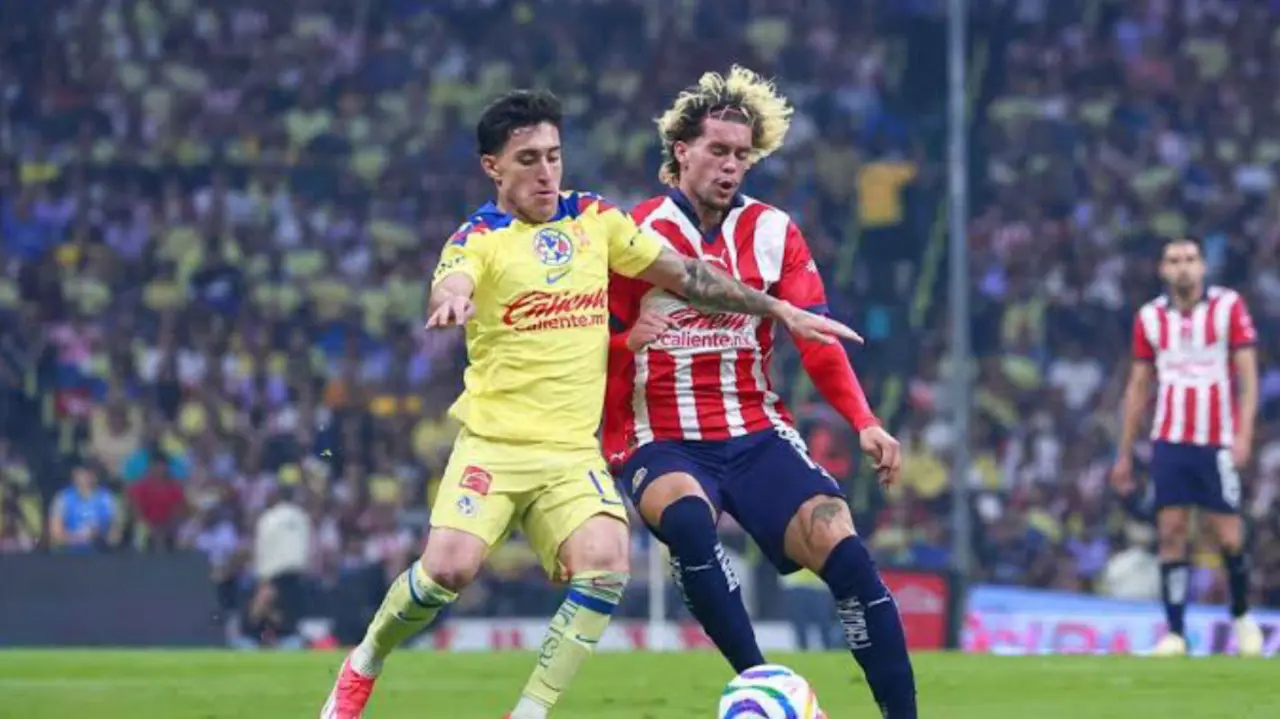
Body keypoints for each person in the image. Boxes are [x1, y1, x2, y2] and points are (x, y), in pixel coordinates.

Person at [321, 88, 857, 719]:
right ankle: (363, 663)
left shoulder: (596, 221)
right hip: (495, 446)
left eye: (553, 156)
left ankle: (529, 712)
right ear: (494, 167)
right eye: (527, 159)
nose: (546, 171)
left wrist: (779, 307)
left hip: (572, 453)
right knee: (448, 573)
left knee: (606, 564)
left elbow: (689, 275)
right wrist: (454, 296)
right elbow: (455, 275)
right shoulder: (479, 238)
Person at [603, 66, 916, 718]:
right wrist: (628, 343)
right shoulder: (632, 236)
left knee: (848, 554)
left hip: (754, 430)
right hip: (659, 435)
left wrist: (864, 420)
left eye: (742, 154)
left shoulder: (776, 233)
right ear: (681, 149)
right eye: (717, 150)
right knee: (689, 521)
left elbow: (817, 338)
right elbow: (582, 347)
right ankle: (767, 686)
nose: (730, 166)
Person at [1111, 236, 1264, 657]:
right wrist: (1124, 453)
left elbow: (1248, 376)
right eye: (1174, 260)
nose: (1183, 267)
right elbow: (1138, 386)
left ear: (1203, 267)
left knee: (1228, 534)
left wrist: (1244, 433)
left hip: (1215, 440)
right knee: (1171, 532)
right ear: (1162, 269)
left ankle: (1242, 617)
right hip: (1170, 439)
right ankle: (1176, 633)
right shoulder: (1150, 318)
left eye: (1190, 259)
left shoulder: (1228, 307)